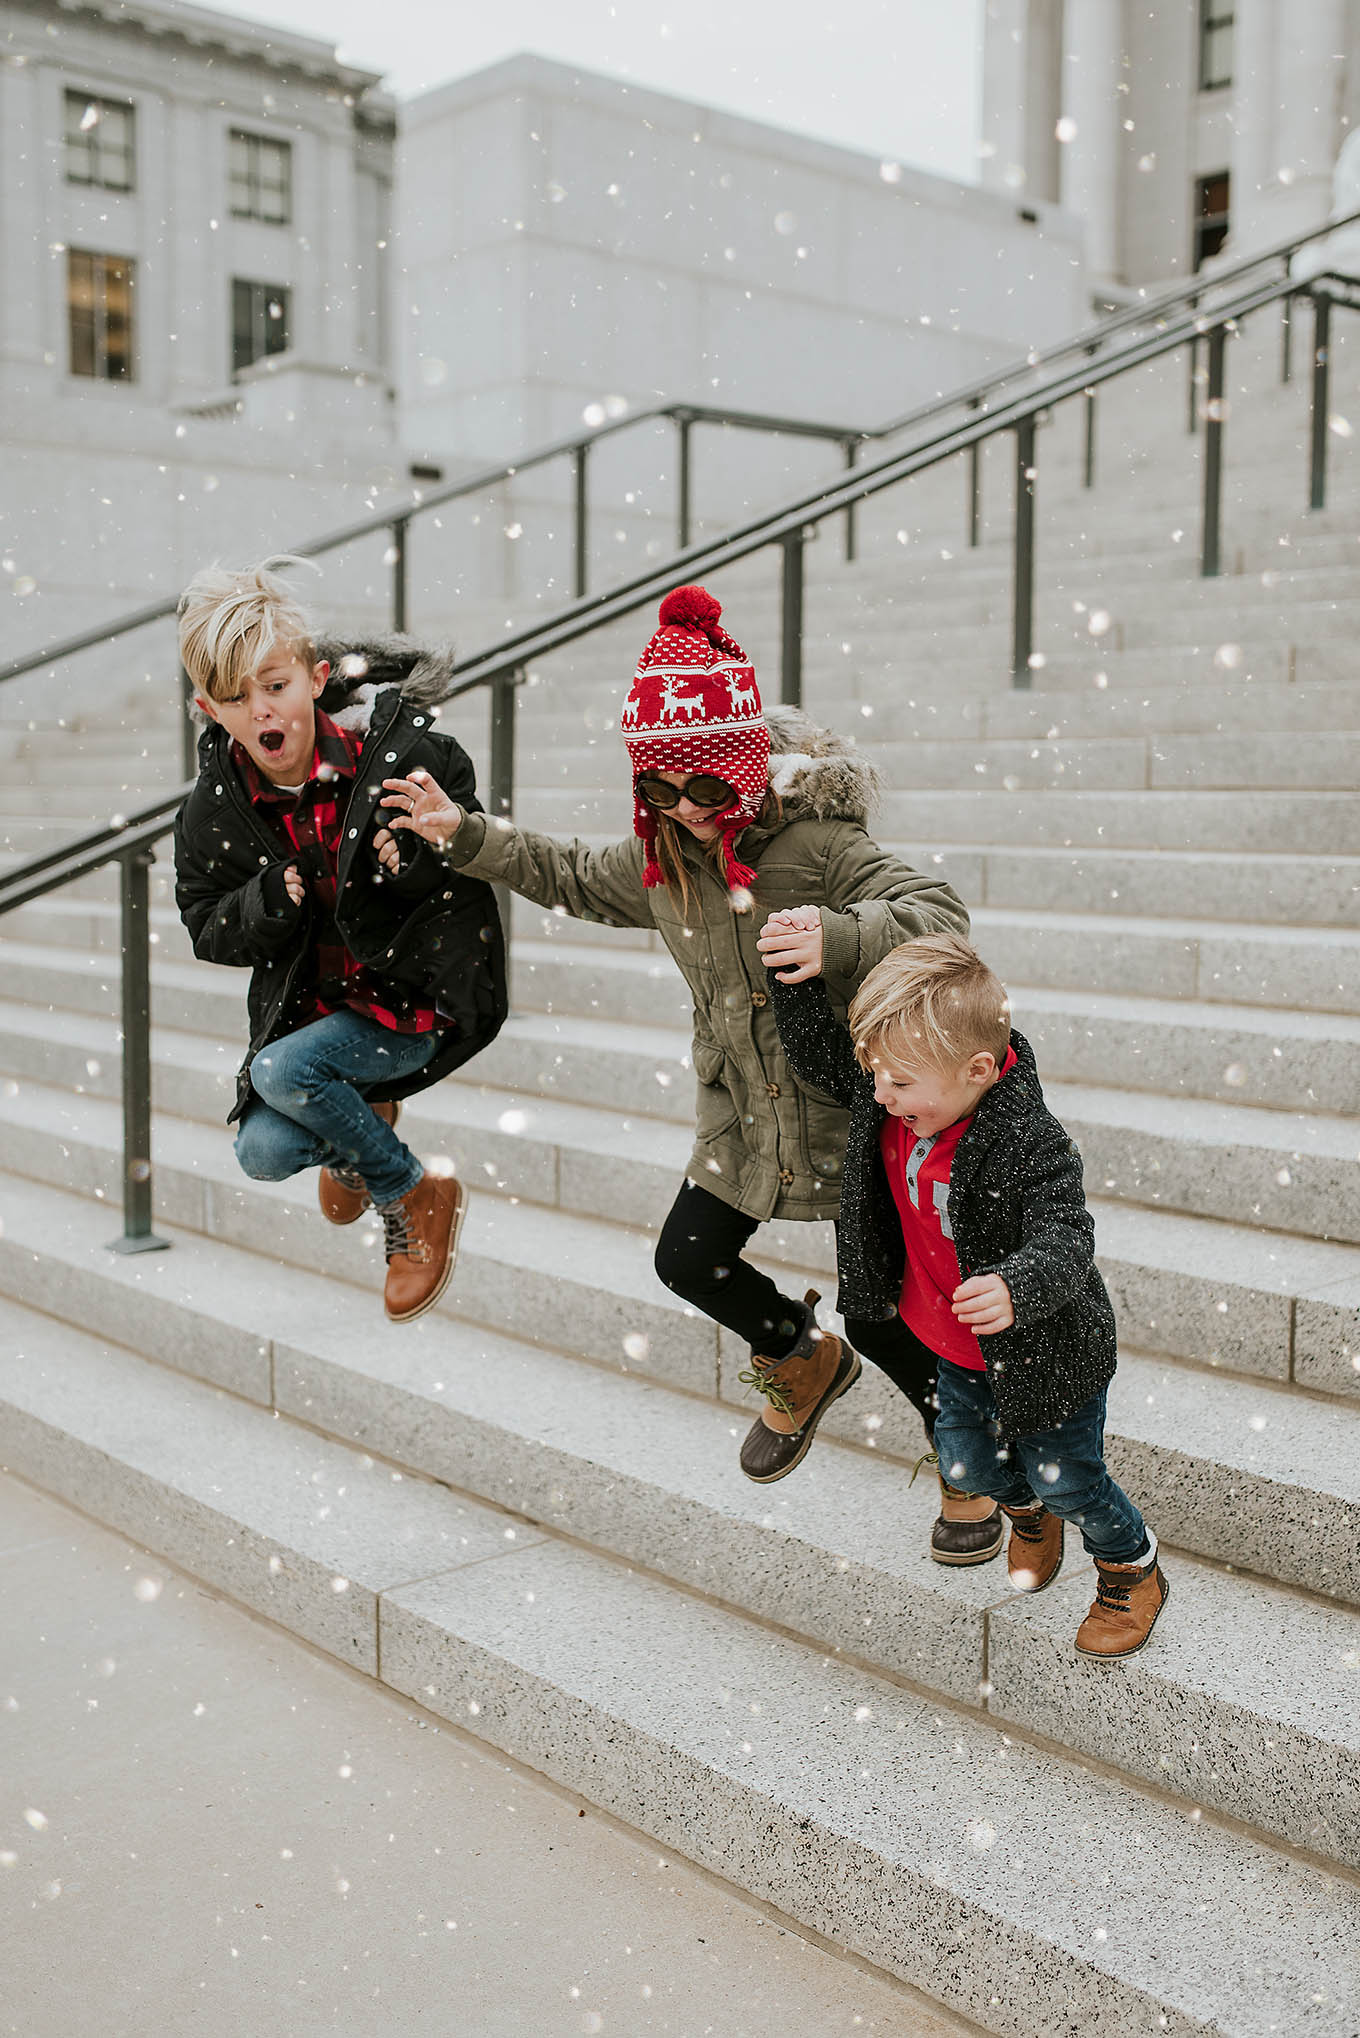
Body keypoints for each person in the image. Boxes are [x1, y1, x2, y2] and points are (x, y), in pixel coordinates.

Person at [379, 582, 971, 1487]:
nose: (688, 806)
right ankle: (801, 1356)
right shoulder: (662, 863)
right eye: (661, 784)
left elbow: (939, 914)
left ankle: (967, 1446)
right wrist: (463, 834)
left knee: (881, 1309)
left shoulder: (813, 844)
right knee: (687, 1258)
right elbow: (566, 871)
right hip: (741, 1113)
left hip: (846, 1111)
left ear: (741, 763)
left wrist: (838, 934)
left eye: (704, 783)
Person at [763, 923, 1170, 1658]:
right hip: (955, 1347)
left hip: (1047, 1352)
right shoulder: (908, 1087)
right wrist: (794, 978)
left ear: (979, 1068)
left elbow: (1069, 1235)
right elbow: (823, 1059)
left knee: (1072, 1482)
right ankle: (1027, 1515)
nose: (880, 1096)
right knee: (964, 1466)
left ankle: (1129, 1570)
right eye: (875, 1074)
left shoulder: (1029, 1140)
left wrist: (1017, 1284)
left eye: (898, 1083)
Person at [173, 559, 507, 1322]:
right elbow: (203, 922)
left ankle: (411, 1193)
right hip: (318, 1015)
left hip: (413, 1002)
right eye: (235, 697)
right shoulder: (214, 811)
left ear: (315, 676)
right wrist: (262, 902)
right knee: (261, 1153)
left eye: (276, 685)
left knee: (282, 1069)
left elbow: (471, 841)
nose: (262, 710)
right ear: (209, 709)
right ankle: (367, 1121)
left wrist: (419, 858)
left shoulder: (394, 757)